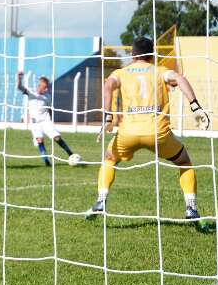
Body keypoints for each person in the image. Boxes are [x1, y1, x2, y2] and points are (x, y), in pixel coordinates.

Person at [85, 37, 210, 226]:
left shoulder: (122, 72)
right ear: (152, 54)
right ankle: (191, 208)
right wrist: (195, 106)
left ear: (132, 54)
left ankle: (101, 201)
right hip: (158, 133)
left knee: (109, 159)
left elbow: (108, 85)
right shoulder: (160, 71)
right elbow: (179, 78)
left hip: (129, 133)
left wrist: (108, 116)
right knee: (184, 161)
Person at [17, 72, 79, 166]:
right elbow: (19, 87)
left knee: (57, 138)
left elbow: (49, 109)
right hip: (35, 123)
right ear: (39, 86)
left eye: (47, 87)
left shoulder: (47, 96)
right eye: (44, 87)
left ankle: (71, 154)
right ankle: (46, 161)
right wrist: (20, 78)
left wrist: (51, 120)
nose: (46, 89)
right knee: (39, 140)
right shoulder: (31, 93)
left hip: (46, 121)